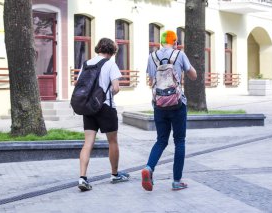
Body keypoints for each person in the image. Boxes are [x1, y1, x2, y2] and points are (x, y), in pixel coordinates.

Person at [142, 30, 197, 191]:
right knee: (179, 141)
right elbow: (193, 75)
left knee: (161, 140)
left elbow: (151, 81)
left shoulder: (152, 57)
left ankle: (149, 168)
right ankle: (177, 181)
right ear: (175, 42)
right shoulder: (179, 54)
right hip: (177, 103)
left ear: (161, 43)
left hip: (159, 105)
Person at [78, 38, 130, 191]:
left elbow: (78, 84)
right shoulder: (110, 64)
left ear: (98, 48)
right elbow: (116, 87)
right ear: (112, 51)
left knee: (88, 143)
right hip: (106, 107)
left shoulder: (87, 63)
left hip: (88, 107)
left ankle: (82, 178)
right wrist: (106, 93)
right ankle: (114, 175)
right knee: (112, 141)